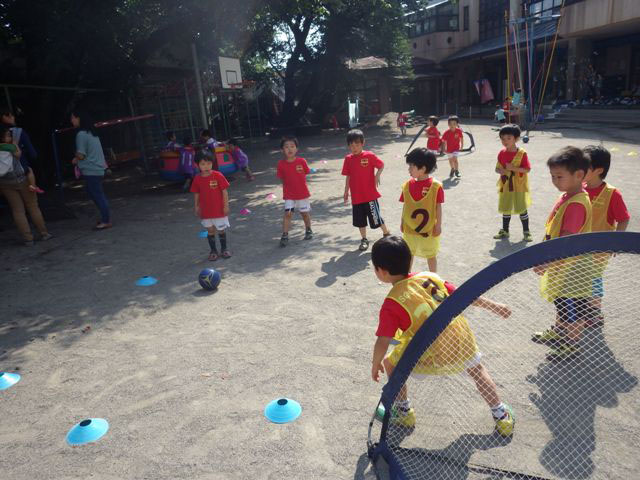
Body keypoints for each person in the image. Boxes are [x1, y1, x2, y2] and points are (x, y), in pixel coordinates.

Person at [370, 236, 515, 435]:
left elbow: (383, 340)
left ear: (382, 272)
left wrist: (375, 362)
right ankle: (501, 416)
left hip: (429, 348)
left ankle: (404, 411)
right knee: (477, 370)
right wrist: (494, 306)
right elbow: (463, 295)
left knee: (390, 363)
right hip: (458, 336)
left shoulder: (392, 303)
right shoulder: (429, 277)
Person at [532, 146, 593, 361]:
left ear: (579, 175)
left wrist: (546, 262)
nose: (555, 181)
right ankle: (559, 334)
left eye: (559, 176)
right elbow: (553, 229)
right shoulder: (569, 196)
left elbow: (565, 241)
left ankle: (572, 345)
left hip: (573, 270)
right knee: (562, 304)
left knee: (573, 310)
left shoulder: (577, 204)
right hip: (563, 268)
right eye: (552, 176)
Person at [582, 145, 630, 327]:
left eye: (584, 165)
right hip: (577, 247)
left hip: (598, 250)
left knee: (593, 279)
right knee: (579, 278)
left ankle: (595, 313)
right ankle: (582, 311)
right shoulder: (580, 188)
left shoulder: (612, 194)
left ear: (599, 170)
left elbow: (623, 219)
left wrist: (617, 241)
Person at [0, 126, 52, 245]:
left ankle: (28, 239)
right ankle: (44, 233)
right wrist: (15, 144)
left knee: (17, 211)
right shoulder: (10, 146)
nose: (10, 136)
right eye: (8, 135)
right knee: (32, 206)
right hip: (21, 178)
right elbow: (18, 155)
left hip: (5, 182)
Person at [342, 129, 390, 251]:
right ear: (348, 146)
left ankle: (386, 233)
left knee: (376, 218)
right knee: (360, 221)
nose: (354, 147)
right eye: (351, 145)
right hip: (356, 197)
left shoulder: (369, 155)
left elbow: (381, 165)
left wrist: (377, 175)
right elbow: (348, 176)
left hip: (370, 196)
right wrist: (346, 191)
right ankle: (364, 239)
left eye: (357, 144)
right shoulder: (348, 159)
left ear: (363, 143)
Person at [400, 148, 443, 272]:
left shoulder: (436, 186)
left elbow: (438, 207)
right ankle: (406, 277)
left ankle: (433, 277)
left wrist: (438, 225)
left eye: (411, 166)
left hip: (429, 229)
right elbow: (406, 205)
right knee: (409, 253)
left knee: (431, 254)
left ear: (423, 169)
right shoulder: (407, 185)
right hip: (410, 228)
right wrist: (402, 221)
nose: (409, 169)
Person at [70, 108, 112, 230]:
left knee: (97, 195)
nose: (71, 120)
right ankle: (105, 217)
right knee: (92, 192)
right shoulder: (92, 133)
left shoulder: (81, 134)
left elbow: (81, 154)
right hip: (98, 168)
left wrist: (75, 158)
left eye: (73, 117)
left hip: (90, 169)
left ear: (79, 118)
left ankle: (106, 220)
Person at [493, 124, 533, 242]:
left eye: (508, 138)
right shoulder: (501, 153)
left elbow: (527, 169)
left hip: (519, 186)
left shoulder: (522, 153)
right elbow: (497, 169)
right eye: (503, 138)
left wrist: (513, 168)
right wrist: (501, 170)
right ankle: (505, 231)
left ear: (516, 139)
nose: (505, 141)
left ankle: (526, 231)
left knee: (522, 208)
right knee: (506, 208)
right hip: (505, 186)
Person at [190, 151, 231, 261]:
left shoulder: (218, 175)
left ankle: (224, 249)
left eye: (208, 163)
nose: (206, 166)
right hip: (206, 211)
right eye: (203, 164)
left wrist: (226, 206)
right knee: (210, 231)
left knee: (221, 230)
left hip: (219, 210)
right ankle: (213, 251)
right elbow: (196, 193)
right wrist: (196, 206)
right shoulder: (197, 179)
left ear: (212, 163)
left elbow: (224, 192)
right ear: (197, 165)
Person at [277, 136, 312, 247]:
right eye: (286, 147)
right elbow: (282, 177)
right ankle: (285, 235)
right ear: (282, 150)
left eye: (292, 146)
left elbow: (306, 172)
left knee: (304, 214)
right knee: (288, 214)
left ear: (297, 149)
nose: (289, 149)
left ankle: (308, 229)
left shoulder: (302, 161)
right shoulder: (281, 164)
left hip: (302, 194)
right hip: (289, 196)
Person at [0, 108, 42, 193]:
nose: (13, 117)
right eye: (10, 115)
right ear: (4, 117)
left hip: (3, 179)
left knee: (16, 206)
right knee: (32, 205)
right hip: (21, 175)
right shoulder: (18, 132)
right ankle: (33, 186)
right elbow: (32, 154)